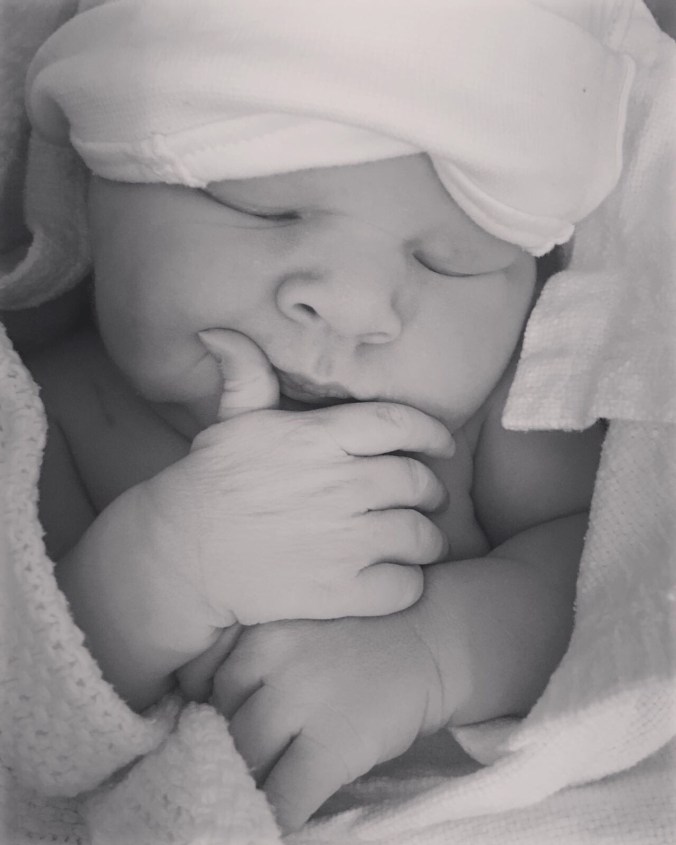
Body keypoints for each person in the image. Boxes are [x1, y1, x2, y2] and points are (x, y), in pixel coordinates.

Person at [22, 0, 629, 833]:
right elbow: (25, 717)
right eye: (262, 208)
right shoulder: (49, 417)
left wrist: (437, 650)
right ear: (91, 192)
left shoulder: (499, 409)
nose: (354, 306)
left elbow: (612, 578)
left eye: (449, 261)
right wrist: (150, 574)